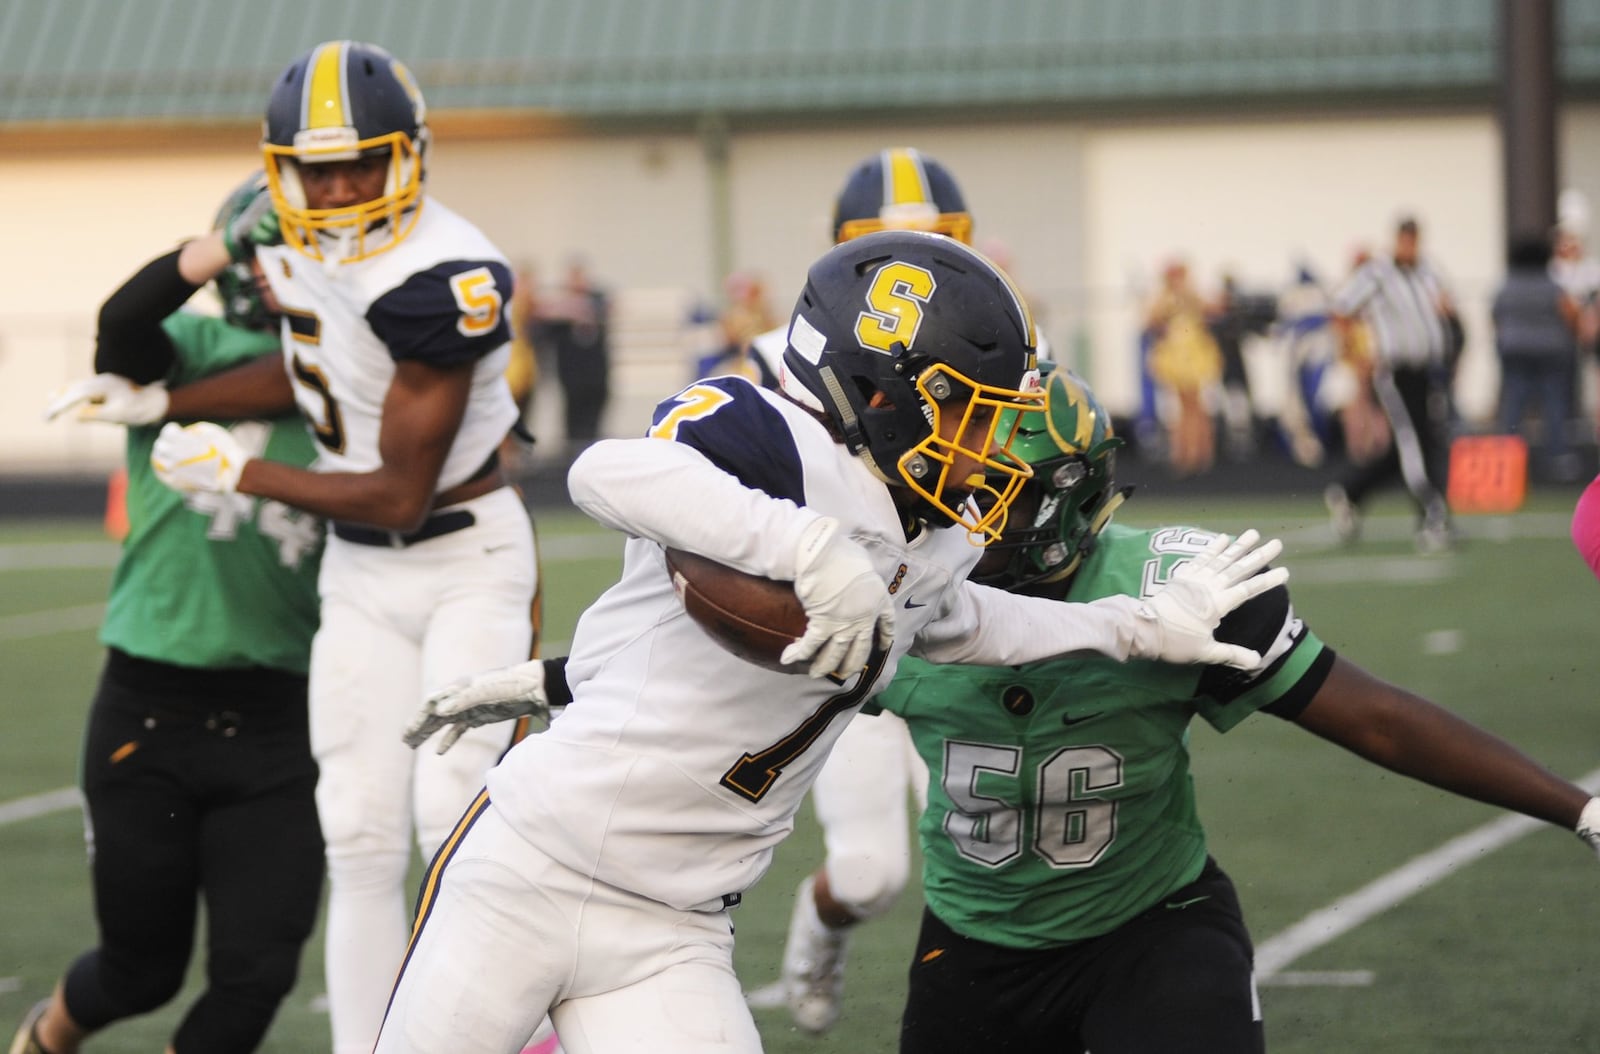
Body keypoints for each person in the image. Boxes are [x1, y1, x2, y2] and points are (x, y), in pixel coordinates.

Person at [378, 229, 1288, 1054]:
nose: (991, 451)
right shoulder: (777, 439)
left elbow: (967, 623)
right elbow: (608, 471)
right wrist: (810, 550)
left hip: (675, 925)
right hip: (531, 868)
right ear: (885, 395)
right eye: (972, 414)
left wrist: (1128, 627)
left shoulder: (935, 540)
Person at [878, 368, 1600, 1054]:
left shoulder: (1178, 592)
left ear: (1068, 496)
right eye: (960, 489)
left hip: (1148, 925)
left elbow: (1373, 715)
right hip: (973, 940)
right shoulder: (898, 592)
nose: (966, 518)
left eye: (998, 494)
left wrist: (1577, 808)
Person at [90, 41, 547, 1054]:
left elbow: (397, 491)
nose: (339, 189)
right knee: (360, 832)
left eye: (361, 164)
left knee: (452, 812)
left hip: (462, 555)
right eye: (317, 169)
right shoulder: (292, 248)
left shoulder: (447, 271)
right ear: (280, 170)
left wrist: (239, 471)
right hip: (359, 573)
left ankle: (521, 1028)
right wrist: (162, 398)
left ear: (409, 158)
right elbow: (313, 369)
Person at [15, 176, 326, 1054]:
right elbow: (123, 328)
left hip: (281, 718)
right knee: (139, 969)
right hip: (150, 712)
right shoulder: (191, 341)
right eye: (270, 251)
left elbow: (312, 378)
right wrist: (221, 247)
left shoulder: (353, 359)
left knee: (256, 973)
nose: (282, 271)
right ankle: (45, 1038)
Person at [744, 147, 1036, 1033]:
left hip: (956, 625)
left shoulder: (1005, 339)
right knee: (870, 871)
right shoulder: (785, 354)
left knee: (1009, 856)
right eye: (889, 243)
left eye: (935, 240)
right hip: (858, 632)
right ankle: (820, 931)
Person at [1324, 216, 1458, 552]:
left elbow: (1442, 308)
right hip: (1396, 372)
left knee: (1413, 445)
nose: (1409, 247)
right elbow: (1341, 309)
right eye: (1405, 240)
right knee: (1415, 444)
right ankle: (1432, 514)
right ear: (1397, 240)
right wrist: (1357, 353)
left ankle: (1350, 492)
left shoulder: (1428, 270)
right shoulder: (1378, 273)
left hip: (1427, 371)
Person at [1493, 233, 1581, 482]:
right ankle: (1557, 460)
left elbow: (1496, 317)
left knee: (1514, 406)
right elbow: (1571, 314)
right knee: (1554, 404)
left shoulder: (1507, 286)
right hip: (1551, 353)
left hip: (1515, 352)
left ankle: (1506, 463)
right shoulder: (1551, 285)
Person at [1143, 259, 1223, 476]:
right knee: (1182, 405)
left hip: (1192, 351)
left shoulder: (1192, 295)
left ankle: (1200, 453)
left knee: (1195, 403)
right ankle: (1184, 453)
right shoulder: (1165, 298)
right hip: (1176, 353)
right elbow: (1151, 320)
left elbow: (1213, 310)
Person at [535, 255, 611, 459]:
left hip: (596, 375)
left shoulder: (598, 301)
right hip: (571, 376)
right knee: (572, 421)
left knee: (594, 420)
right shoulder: (559, 314)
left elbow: (606, 307)